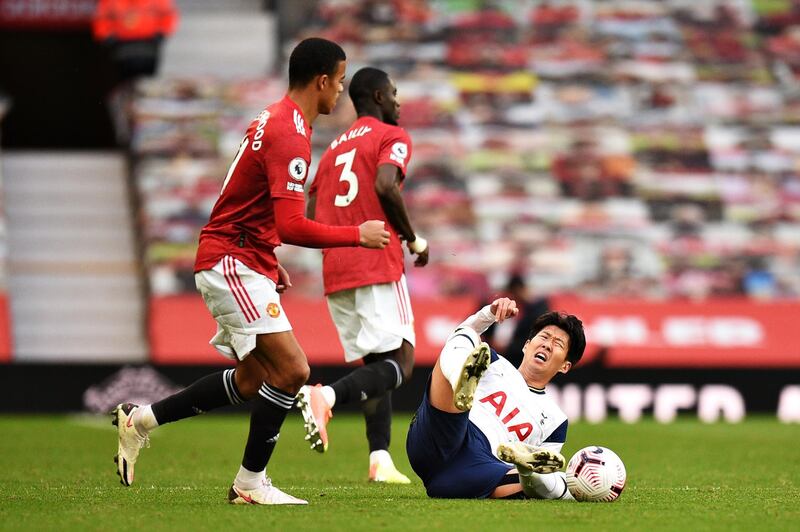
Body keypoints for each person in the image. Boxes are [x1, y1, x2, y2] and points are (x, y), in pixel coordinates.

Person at [111, 37, 391, 506]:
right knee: (293, 369)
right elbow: (292, 223)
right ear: (322, 80)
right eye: (340, 81)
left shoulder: (272, 117)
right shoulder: (290, 133)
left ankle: (139, 421)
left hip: (241, 256)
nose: (341, 91)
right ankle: (249, 485)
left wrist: (265, 252)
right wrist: (355, 234)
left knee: (250, 380)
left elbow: (250, 202)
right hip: (231, 262)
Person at [296, 67, 428, 484]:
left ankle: (379, 459)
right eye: (393, 92)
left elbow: (313, 213)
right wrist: (412, 238)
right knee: (402, 362)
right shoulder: (391, 137)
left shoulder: (334, 148)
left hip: (337, 269)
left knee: (376, 362)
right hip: (375, 261)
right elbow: (387, 186)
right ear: (377, 96)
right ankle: (326, 395)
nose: (398, 101)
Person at [405, 297, 586, 499]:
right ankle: (460, 378)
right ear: (527, 345)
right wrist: (488, 314)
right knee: (466, 334)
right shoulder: (491, 360)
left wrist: (531, 474)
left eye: (558, 343)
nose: (547, 345)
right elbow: (461, 337)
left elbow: (547, 466)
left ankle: (527, 469)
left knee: (545, 481)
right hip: (444, 429)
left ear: (565, 366)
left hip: (477, 468)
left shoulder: (556, 421)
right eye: (544, 337)